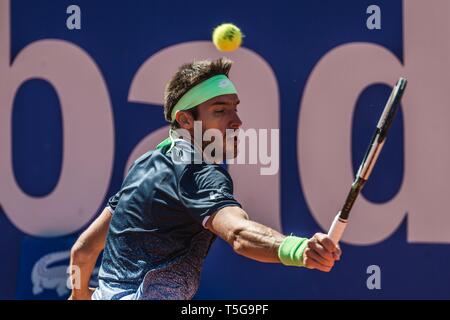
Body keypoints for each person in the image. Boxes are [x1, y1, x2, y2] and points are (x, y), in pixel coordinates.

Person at [68, 57, 341, 300]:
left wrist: (79, 294)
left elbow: (83, 250)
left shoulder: (144, 165)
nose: (236, 121)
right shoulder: (197, 171)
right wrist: (297, 249)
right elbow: (238, 234)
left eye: (235, 108)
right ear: (186, 120)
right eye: (220, 111)